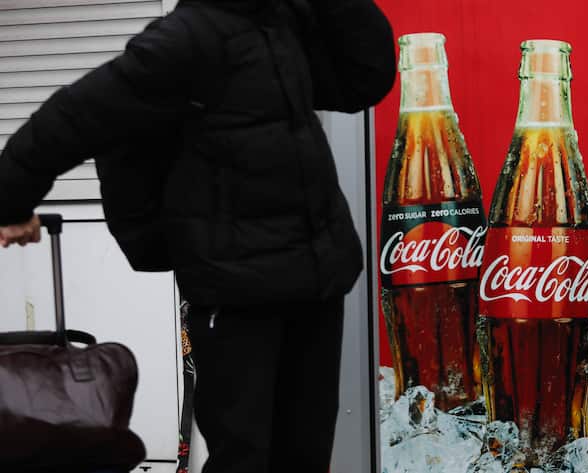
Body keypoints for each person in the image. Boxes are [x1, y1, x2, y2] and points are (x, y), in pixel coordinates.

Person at [0, 0, 396, 472]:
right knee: (243, 458)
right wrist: (11, 201)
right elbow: (74, 116)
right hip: (237, 294)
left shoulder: (279, 21)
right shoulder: (184, 39)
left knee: (304, 456)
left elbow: (363, 78)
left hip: (315, 282)